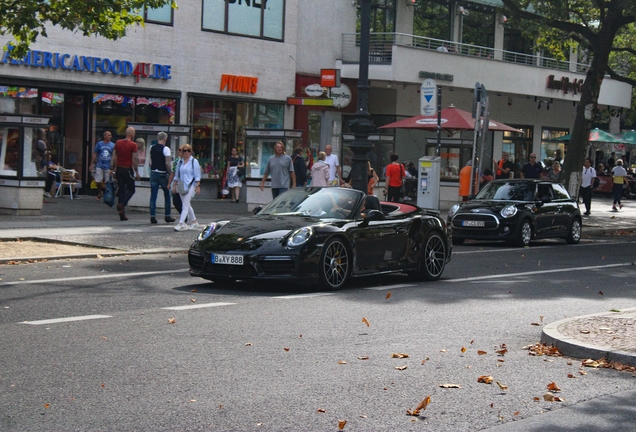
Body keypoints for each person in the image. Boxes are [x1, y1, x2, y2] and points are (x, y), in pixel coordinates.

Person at [111, 127, 140, 221]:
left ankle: (121, 213)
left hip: (119, 169)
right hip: (128, 169)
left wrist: (113, 168)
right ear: (132, 135)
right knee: (132, 189)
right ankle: (122, 204)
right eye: (134, 133)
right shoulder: (133, 145)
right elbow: (134, 159)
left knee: (121, 190)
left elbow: (114, 156)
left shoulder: (118, 142)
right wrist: (137, 172)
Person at [172, 144, 201, 231]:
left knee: (185, 205)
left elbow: (197, 175)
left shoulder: (194, 161)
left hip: (191, 185)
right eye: (184, 150)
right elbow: (177, 175)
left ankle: (181, 223)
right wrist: (174, 185)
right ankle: (194, 222)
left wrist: (198, 186)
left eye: (188, 150)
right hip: (182, 185)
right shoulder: (180, 162)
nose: (186, 152)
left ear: (191, 152)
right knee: (187, 204)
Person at [148, 132, 175, 224]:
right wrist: (170, 172)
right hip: (162, 173)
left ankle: (152, 216)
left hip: (153, 173)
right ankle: (167, 216)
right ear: (165, 139)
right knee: (167, 195)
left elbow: (150, 161)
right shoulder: (166, 149)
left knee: (153, 196)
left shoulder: (152, 147)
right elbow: (167, 163)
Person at [89, 131, 114, 200]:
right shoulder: (99, 144)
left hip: (108, 166)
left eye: (110, 135)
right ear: (104, 136)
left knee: (107, 181)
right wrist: (91, 164)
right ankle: (100, 192)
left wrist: (113, 166)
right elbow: (95, 154)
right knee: (98, 181)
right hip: (99, 165)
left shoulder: (112, 145)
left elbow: (114, 156)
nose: (110, 137)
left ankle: (107, 195)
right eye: (108, 135)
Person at [168, 145, 184, 221]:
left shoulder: (189, 161)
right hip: (177, 183)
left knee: (184, 203)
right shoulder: (176, 161)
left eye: (180, 150)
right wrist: (169, 183)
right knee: (175, 202)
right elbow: (173, 173)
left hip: (184, 184)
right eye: (178, 149)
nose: (178, 151)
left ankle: (184, 219)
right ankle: (184, 216)